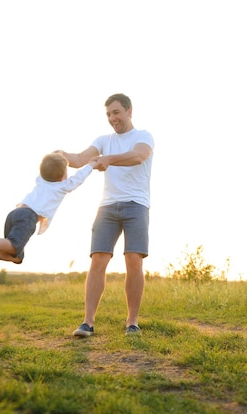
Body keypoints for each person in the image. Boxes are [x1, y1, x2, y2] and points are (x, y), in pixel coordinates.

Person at [60, 93, 154, 337]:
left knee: (134, 260)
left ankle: (132, 322)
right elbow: (80, 158)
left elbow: (138, 156)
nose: (112, 118)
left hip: (136, 204)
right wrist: (62, 156)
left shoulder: (143, 137)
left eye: (116, 112)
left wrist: (109, 160)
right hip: (108, 206)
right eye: (109, 114)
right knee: (98, 259)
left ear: (129, 111)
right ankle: (88, 322)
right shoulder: (103, 140)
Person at [0, 152, 97, 274]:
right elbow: (78, 178)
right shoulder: (62, 186)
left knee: (18, 256)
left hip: (15, 213)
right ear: (63, 177)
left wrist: (55, 155)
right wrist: (91, 165)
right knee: (14, 245)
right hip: (28, 217)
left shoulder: (40, 180)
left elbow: (47, 167)